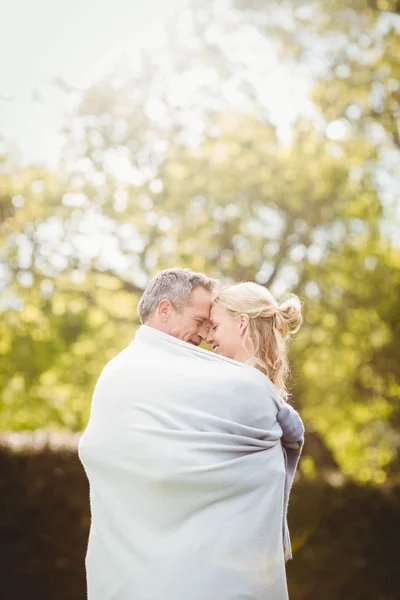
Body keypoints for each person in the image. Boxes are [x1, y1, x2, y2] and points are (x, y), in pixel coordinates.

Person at [79, 268, 304, 600]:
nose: (204, 337)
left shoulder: (222, 383)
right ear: (166, 309)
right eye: (201, 322)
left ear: (241, 323)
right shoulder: (136, 374)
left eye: (212, 326)